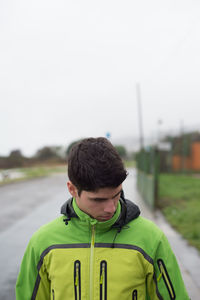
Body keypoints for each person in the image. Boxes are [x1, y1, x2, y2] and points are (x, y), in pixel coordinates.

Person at [16, 137, 189, 300]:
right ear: (72, 189)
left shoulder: (151, 239)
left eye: (116, 195)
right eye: (98, 199)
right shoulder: (42, 243)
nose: (111, 208)